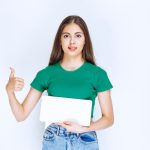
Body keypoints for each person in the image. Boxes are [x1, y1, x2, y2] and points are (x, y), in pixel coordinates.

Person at [6, 15, 114, 150]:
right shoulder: (46, 74)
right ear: (60, 40)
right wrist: (9, 91)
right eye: (66, 36)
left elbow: (109, 119)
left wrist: (84, 128)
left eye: (78, 36)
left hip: (85, 139)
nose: (72, 41)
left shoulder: (98, 75)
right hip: (54, 140)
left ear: (85, 40)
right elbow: (20, 115)